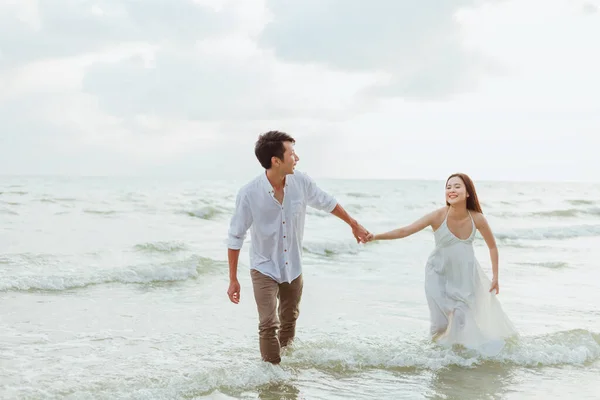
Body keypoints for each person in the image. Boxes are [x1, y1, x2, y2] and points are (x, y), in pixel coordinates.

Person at [226, 131, 370, 364]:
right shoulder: (249, 194)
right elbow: (235, 237)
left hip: (293, 265)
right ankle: (272, 376)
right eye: (292, 153)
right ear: (276, 160)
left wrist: (353, 224)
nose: (297, 158)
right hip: (263, 267)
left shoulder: (300, 182)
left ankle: (285, 368)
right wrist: (233, 278)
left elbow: (327, 202)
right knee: (268, 324)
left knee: (289, 319)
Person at [365, 173, 518, 356]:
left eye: (457, 186)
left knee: (461, 317)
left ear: (468, 192)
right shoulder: (438, 216)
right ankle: (436, 356)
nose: (451, 190)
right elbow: (405, 230)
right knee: (440, 324)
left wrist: (495, 277)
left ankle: (458, 359)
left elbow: (492, 247)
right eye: (448, 187)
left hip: (464, 276)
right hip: (438, 273)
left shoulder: (477, 218)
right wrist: (375, 237)